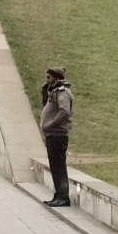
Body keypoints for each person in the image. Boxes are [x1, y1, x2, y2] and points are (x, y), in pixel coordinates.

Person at [40, 67, 74, 207]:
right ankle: (58, 194)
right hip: (52, 135)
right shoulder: (53, 92)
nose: (46, 80)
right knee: (55, 166)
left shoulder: (62, 93)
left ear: (57, 78)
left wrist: (51, 124)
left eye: (49, 77)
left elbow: (64, 112)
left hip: (57, 134)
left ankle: (63, 196)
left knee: (59, 166)